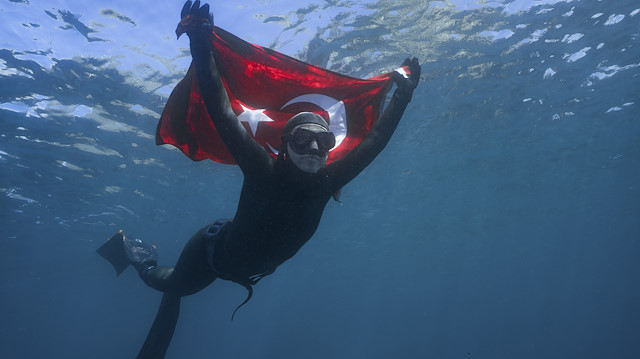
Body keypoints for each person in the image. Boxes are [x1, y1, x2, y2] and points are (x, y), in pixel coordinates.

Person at [97, 1, 420, 358]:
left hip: (239, 263)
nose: (313, 147)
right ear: (283, 146)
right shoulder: (262, 169)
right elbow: (221, 112)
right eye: (302, 139)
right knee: (171, 284)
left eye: (323, 141)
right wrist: (201, 45)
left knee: (177, 288)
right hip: (209, 253)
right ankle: (139, 257)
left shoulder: (330, 179)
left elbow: (375, 140)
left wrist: (403, 95)